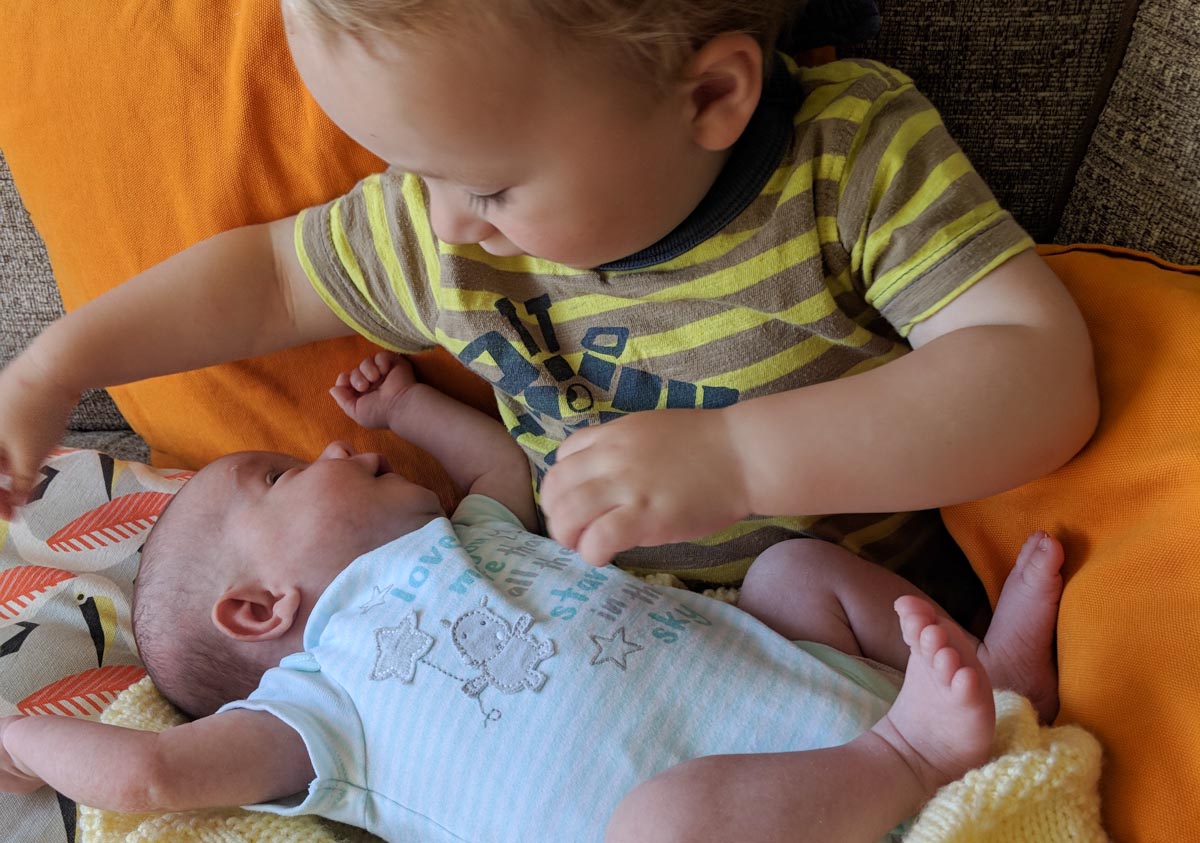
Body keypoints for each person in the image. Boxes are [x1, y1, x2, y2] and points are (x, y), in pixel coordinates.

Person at [0, 0, 1098, 589]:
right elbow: (274, 275)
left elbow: (1038, 374)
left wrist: (744, 461)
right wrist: (62, 364)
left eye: (483, 185)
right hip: (579, 647)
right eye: (410, 173)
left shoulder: (848, 160)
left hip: (834, 652)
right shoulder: (447, 236)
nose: (434, 223)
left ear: (710, 94)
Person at [0, 353, 1065, 842]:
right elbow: (142, 775)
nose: (327, 444)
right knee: (659, 827)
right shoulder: (312, 711)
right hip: (768, 821)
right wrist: (19, 732)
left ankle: (995, 687)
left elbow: (506, 476)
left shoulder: (469, 536)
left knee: (788, 569)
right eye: (277, 476)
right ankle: (919, 757)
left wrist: (416, 405)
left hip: (834, 696)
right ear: (257, 611)